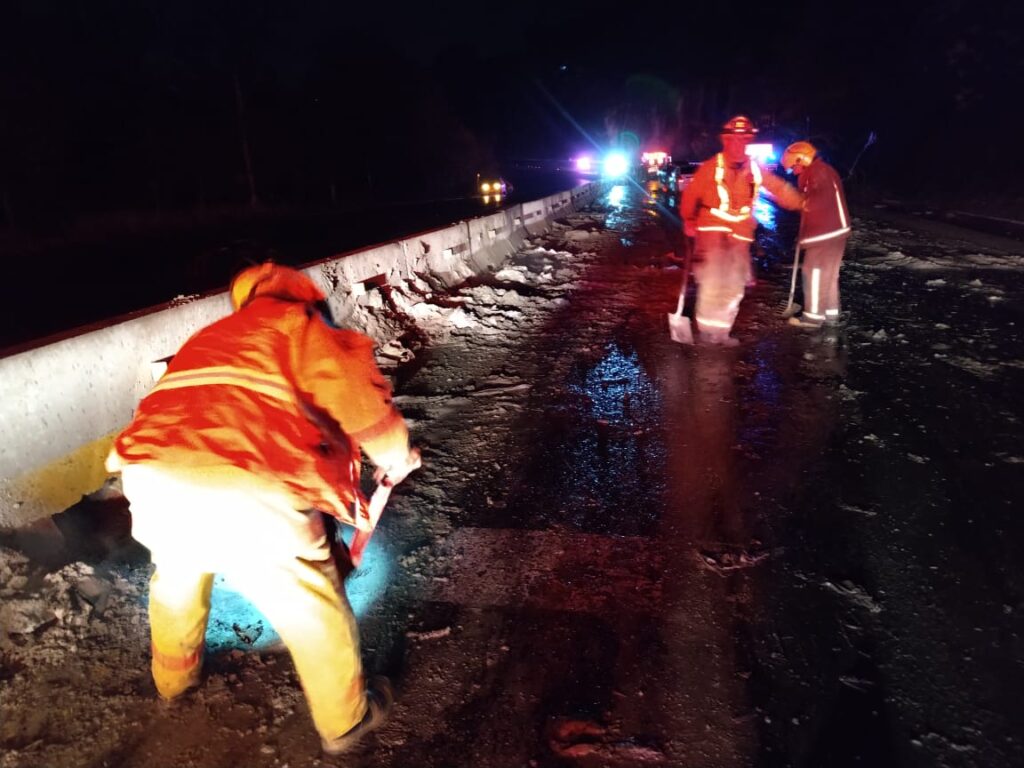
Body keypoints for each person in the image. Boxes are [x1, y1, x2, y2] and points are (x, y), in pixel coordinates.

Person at [105, 262, 421, 756]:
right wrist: (398, 456)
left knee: (178, 580)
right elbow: (362, 408)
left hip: (152, 473)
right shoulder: (302, 328)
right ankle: (345, 721)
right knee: (309, 602)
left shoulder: (212, 338)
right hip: (247, 482)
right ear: (307, 298)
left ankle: (173, 683)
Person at [681, 115, 804, 345]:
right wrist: (688, 219)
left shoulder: (755, 169)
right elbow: (690, 195)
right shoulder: (710, 168)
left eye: (744, 139)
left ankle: (722, 331)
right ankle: (708, 334)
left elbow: (779, 188)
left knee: (735, 284)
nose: (739, 144)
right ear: (725, 140)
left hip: (740, 235)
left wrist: (803, 203)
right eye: (734, 139)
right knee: (713, 280)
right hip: (712, 232)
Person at [781, 141, 851, 328]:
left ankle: (812, 318)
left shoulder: (816, 172)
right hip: (835, 231)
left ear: (801, 159)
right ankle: (831, 313)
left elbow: (817, 200)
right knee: (828, 274)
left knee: (814, 272)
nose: (793, 171)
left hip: (825, 233)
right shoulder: (822, 170)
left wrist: (800, 201)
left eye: (793, 167)